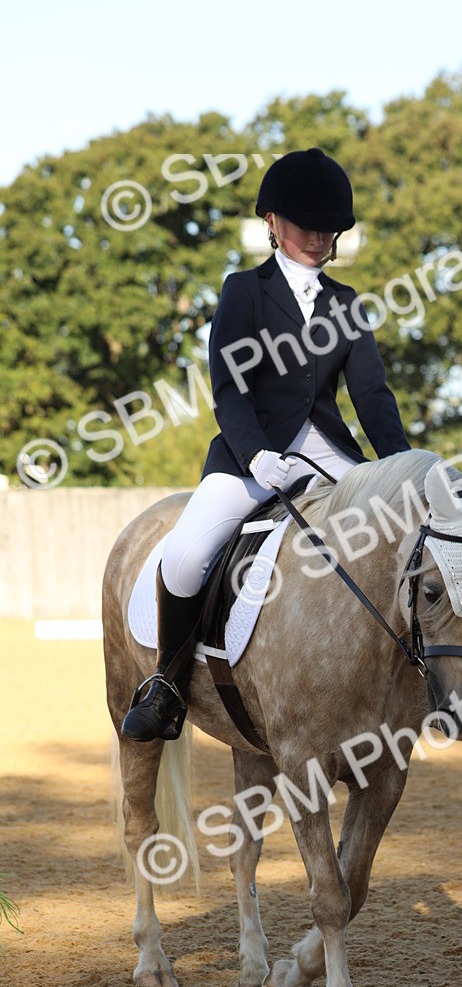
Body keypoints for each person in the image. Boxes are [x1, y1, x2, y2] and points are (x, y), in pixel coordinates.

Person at [121, 147, 410, 743]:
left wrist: (403, 468)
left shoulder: (346, 303)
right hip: (250, 454)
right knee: (183, 556)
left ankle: (405, 677)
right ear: (272, 224)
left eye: (329, 228)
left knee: (399, 535)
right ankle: (168, 683)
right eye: (306, 225)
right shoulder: (243, 292)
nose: (318, 236)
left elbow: (373, 397)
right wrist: (255, 456)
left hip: (328, 451)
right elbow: (228, 386)